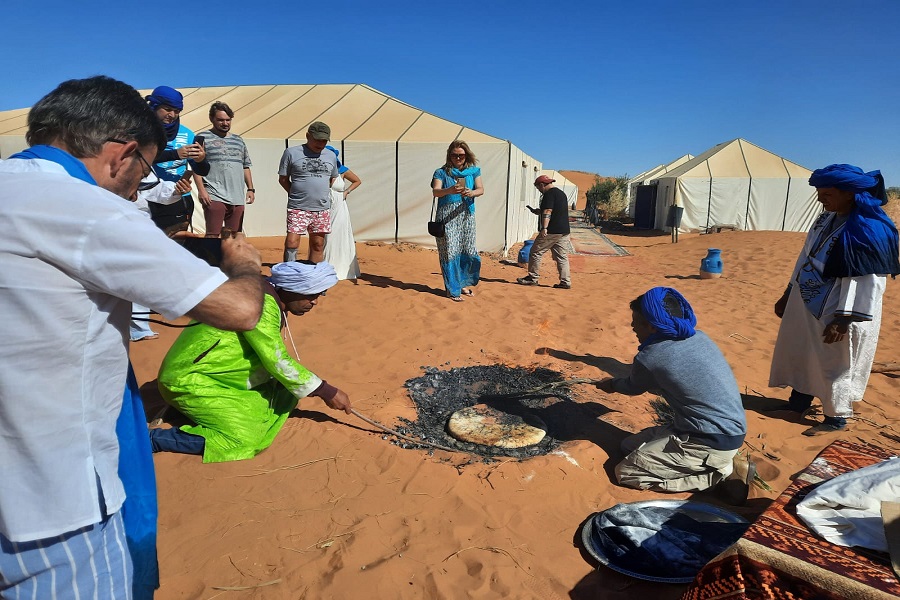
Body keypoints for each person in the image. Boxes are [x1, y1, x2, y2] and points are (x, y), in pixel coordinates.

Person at [0, 76, 264, 598]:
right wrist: (245, 267)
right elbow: (239, 310)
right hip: (54, 502)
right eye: (143, 168)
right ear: (122, 155)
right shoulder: (89, 208)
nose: (137, 184)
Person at [151, 261, 353, 462]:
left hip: (216, 372)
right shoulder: (258, 305)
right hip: (189, 379)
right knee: (244, 439)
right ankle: (155, 440)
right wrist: (327, 391)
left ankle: (199, 413)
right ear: (291, 288)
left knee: (283, 394)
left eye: (320, 294)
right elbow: (277, 360)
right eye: (311, 294)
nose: (315, 301)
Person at [769, 164, 899, 436]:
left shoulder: (869, 229)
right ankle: (798, 405)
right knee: (802, 352)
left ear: (849, 194)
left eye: (826, 193)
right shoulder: (824, 220)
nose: (820, 199)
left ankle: (835, 418)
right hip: (807, 300)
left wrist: (845, 318)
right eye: (819, 192)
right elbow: (805, 256)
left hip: (841, 308)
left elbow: (869, 281)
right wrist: (787, 292)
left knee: (835, 362)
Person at [596, 287, 747, 492]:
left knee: (626, 473)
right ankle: (718, 462)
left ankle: (721, 475)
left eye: (636, 321)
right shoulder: (699, 337)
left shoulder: (651, 356)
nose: (632, 326)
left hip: (710, 440)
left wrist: (611, 385)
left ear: (651, 327)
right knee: (627, 446)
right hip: (721, 429)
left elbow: (632, 387)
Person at [146, 86, 210, 236]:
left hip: (179, 199)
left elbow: (203, 171)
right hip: (147, 198)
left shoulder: (187, 134)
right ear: (154, 106)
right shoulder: (141, 131)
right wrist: (175, 154)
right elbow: (139, 158)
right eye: (167, 109)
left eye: (177, 111)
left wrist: (201, 160)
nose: (172, 115)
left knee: (175, 247)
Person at [431, 140, 485, 301]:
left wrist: (471, 193)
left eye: (461, 155)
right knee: (450, 252)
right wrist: (449, 190)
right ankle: (452, 289)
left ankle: (461, 284)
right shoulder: (441, 172)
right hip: (447, 217)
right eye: (454, 155)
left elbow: (481, 189)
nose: (457, 158)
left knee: (467, 250)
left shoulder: (473, 171)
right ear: (449, 155)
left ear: (466, 155)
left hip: (467, 215)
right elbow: (436, 191)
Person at [278, 121, 338, 263]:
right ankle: (289, 276)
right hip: (298, 206)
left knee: (317, 244)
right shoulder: (291, 153)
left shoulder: (330, 155)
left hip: (321, 208)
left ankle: (313, 277)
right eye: (317, 139)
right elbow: (283, 179)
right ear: (307, 136)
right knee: (292, 242)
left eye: (324, 140)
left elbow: (332, 179)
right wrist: (296, 194)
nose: (320, 143)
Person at [194, 101, 255, 237]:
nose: (225, 123)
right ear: (211, 119)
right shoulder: (201, 138)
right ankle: (210, 259)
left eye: (228, 120)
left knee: (233, 236)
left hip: (237, 196)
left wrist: (250, 188)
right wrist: (201, 190)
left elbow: (245, 165)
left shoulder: (238, 140)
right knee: (212, 235)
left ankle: (228, 259)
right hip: (214, 194)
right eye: (220, 120)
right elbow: (196, 166)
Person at [517, 175, 572, 289]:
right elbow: (553, 210)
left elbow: (548, 211)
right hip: (564, 231)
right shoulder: (561, 194)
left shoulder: (549, 194)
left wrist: (544, 228)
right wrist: (537, 211)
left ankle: (533, 278)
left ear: (542, 185)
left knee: (535, 252)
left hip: (552, 231)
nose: (539, 190)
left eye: (538, 188)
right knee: (561, 257)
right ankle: (565, 282)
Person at [323, 145, 362, 280]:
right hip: (324, 205)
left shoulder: (342, 170)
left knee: (336, 234)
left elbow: (357, 181)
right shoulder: (320, 170)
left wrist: (347, 192)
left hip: (339, 206)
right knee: (325, 236)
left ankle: (341, 268)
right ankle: (325, 266)